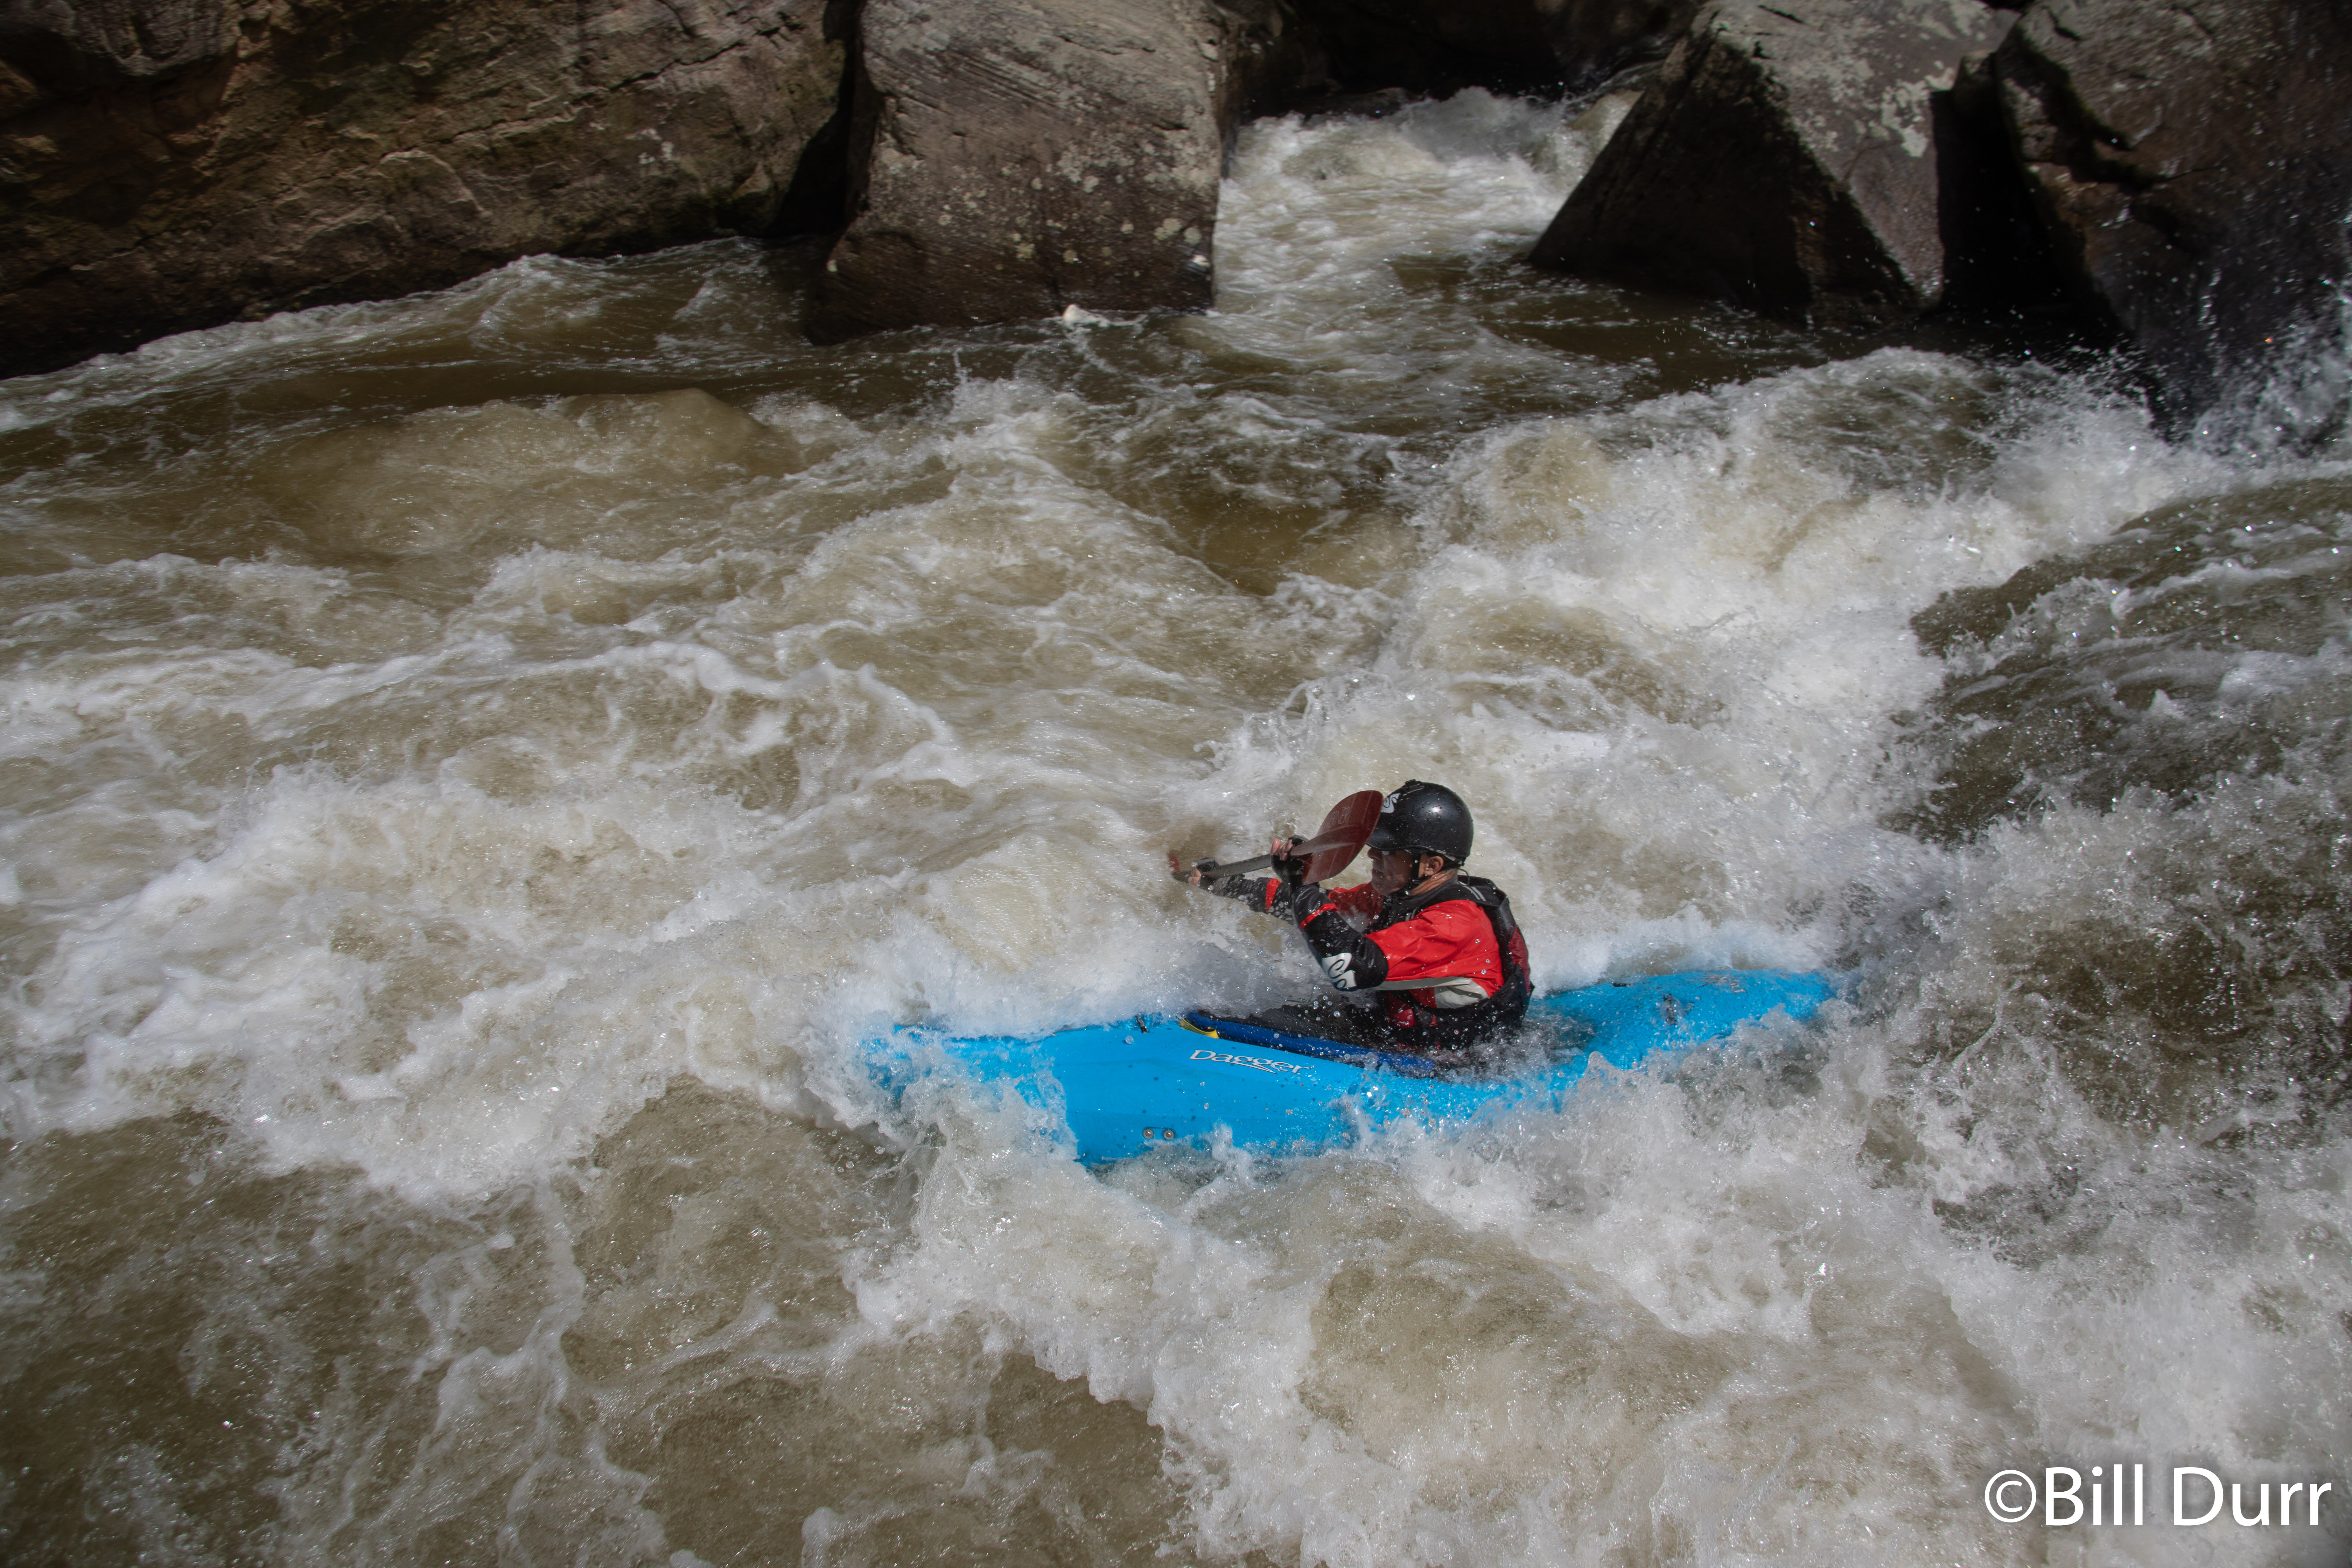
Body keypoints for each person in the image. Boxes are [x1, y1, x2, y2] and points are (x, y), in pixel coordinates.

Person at [1183, 780, 1532, 1057]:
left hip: (1443, 1061)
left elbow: (1349, 969)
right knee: (1250, 1018)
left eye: (1388, 850)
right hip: (1386, 1025)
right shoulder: (1397, 895)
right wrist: (1230, 885)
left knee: (1241, 1028)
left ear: (1431, 865)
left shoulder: (1454, 925)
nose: (1372, 854)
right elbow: (1322, 907)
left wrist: (1304, 884)